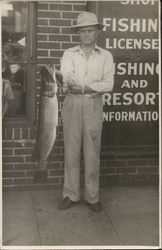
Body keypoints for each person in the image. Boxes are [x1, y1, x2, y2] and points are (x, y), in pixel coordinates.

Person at [56, 11, 114, 212]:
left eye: (90, 30)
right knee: (71, 151)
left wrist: (82, 87)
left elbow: (108, 85)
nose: (86, 35)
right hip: (72, 104)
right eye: (82, 31)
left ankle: (92, 197)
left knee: (92, 152)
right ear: (78, 33)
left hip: (93, 105)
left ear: (97, 32)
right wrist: (88, 86)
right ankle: (70, 194)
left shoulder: (106, 55)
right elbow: (67, 81)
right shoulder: (69, 54)